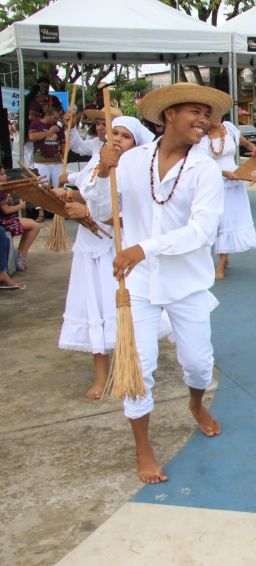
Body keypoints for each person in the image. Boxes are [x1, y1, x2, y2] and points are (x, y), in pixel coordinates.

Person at [83, 83, 232, 483]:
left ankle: (196, 403)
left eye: (207, 114)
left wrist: (143, 248)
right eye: (195, 112)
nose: (203, 121)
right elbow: (101, 212)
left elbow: (201, 232)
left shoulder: (206, 171)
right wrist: (103, 171)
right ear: (169, 114)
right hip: (138, 286)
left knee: (199, 364)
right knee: (140, 367)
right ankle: (144, 449)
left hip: (187, 285)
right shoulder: (131, 161)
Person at [56, 116, 155, 400]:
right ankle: (101, 374)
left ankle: (132, 368)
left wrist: (86, 212)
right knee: (94, 309)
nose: (117, 139)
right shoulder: (97, 162)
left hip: (120, 250)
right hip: (90, 249)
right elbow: (90, 198)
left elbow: (127, 218)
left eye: (125, 136)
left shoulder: (140, 171)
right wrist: (68, 196)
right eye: (114, 133)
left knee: (123, 310)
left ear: (136, 144)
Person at [202, 118, 256, 280]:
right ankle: (223, 256)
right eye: (210, 114)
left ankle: (222, 262)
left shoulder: (228, 127)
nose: (215, 117)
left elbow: (246, 144)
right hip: (213, 182)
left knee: (228, 221)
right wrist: (223, 173)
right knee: (216, 221)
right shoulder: (199, 136)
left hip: (236, 180)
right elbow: (200, 164)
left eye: (218, 113)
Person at [0, 179, 41, 272]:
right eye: (1, 174)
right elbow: (6, 210)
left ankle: (20, 255)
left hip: (7, 218)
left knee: (32, 225)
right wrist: (21, 206)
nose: (5, 176)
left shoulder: (3, 188)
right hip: (4, 221)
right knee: (35, 226)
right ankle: (20, 257)